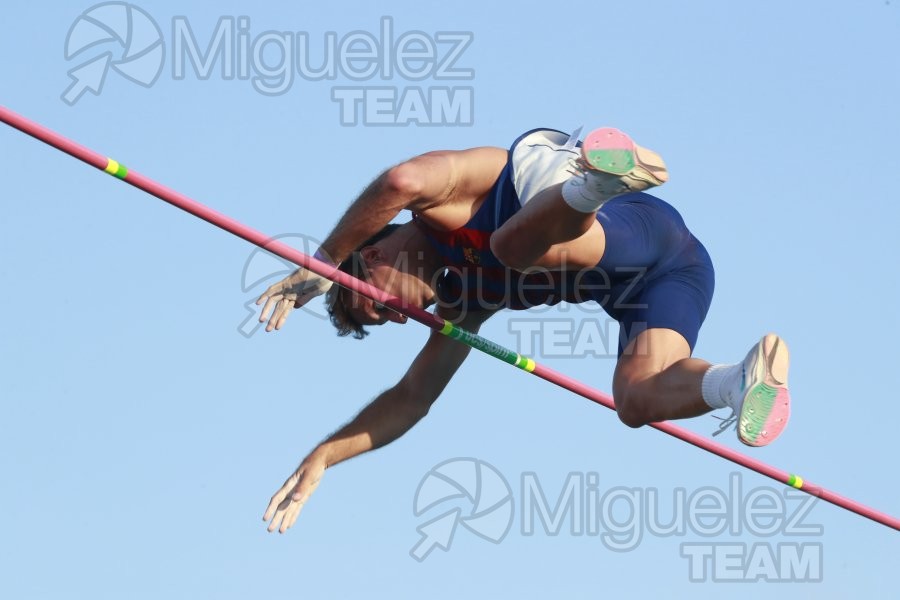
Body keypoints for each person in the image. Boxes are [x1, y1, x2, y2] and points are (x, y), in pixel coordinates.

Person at [258, 127, 791, 534]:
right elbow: (412, 397)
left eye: (375, 305)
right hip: (671, 272)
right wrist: (324, 455)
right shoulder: (463, 300)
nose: (396, 317)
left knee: (508, 248)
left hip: (628, 222)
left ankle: (597, 181)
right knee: (633, 400)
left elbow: (401, 182)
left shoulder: (445, 204)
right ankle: (739, 382)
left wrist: (324, 263)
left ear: (371, 252)